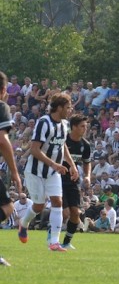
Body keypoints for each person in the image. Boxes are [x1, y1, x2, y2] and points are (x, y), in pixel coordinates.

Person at [19, 93, 78, 251]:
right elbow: (34, 149)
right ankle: (23, 224)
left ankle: (54, 242)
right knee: (38, 206)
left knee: (57, 202)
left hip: (53, 172)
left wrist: (71, 165)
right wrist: (54, 164)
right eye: (68, 107)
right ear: (59, 108)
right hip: (35, 171)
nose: (70, 110)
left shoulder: (64, 124)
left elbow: (62, 145)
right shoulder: (44, 122)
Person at [60, 114, 92, 250]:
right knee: (65, 213)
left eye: (86, 126)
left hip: (73, 181)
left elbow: (86, 162)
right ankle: (52, 232)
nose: (85, 129)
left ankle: (66, 241)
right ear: (73, 127)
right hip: (58, 179)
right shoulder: (63, 140)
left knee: (76, 213)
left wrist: (87, 176)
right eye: (82, 126)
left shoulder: (85, 145)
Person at [0, 72, 22, 266]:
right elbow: (2, 139)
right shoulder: (1, 106)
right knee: (7, 208)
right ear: (4, 91)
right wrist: (14, 172)